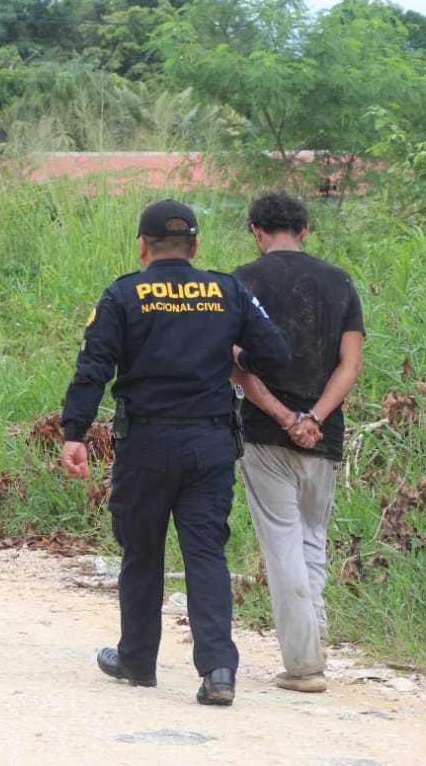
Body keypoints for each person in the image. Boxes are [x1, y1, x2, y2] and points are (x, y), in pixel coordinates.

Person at [60, 199, 290, 707]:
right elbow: (276, 353)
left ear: (142, 246)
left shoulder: (124, 294)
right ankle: (219, 671)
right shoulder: (229, 290)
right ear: (195, 246)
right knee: (205, 552)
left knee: (141, 551)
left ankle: (138, 660)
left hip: (145, 443)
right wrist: (235, 354)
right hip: (210, 444)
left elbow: (92, 368)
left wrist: (74, 433)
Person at [232, 191, 364, 694]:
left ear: (256, 232)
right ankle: (317, 644)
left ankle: (304, 665)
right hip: (324, 433)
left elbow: (238, 365)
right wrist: (314, 417)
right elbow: (349, 365)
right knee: (313, 541)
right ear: (305, 230)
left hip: (267, 433)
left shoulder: (242, 282)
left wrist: (287, 417)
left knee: (282, 544)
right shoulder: (339, 282)